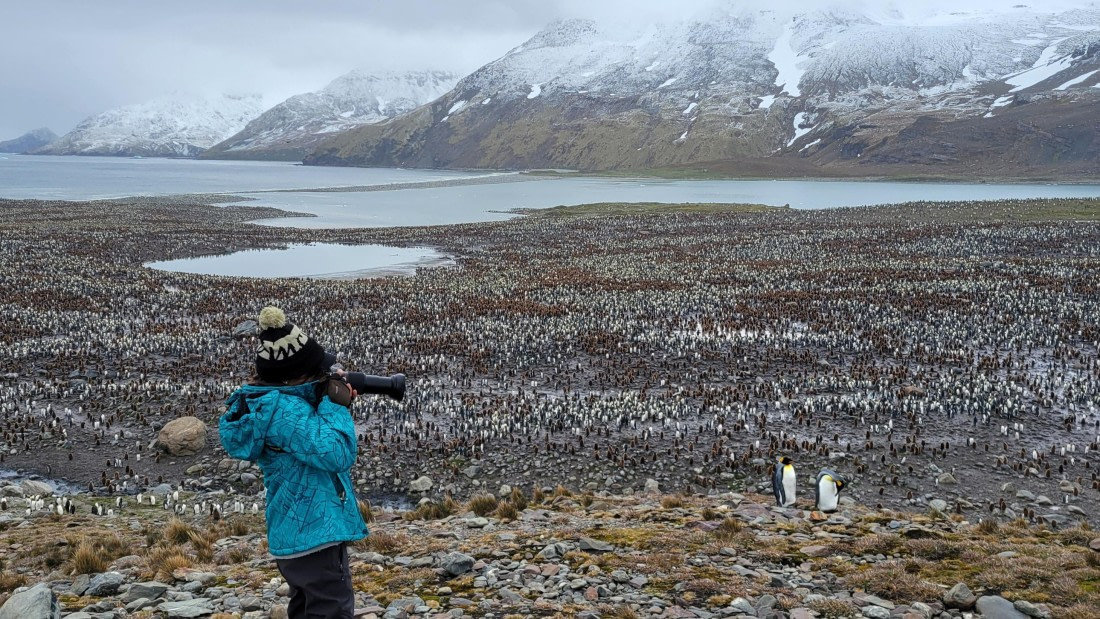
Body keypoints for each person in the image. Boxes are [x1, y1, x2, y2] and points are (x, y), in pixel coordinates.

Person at [219, 306, 367, 619]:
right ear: (297, 376)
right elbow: (337, 452)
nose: (326, 374)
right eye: (318, 370)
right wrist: (335, 403)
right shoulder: (285, 412)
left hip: (295, 533)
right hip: (315, 534)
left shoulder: (271, 405)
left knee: (305, 608)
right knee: (331, 609)